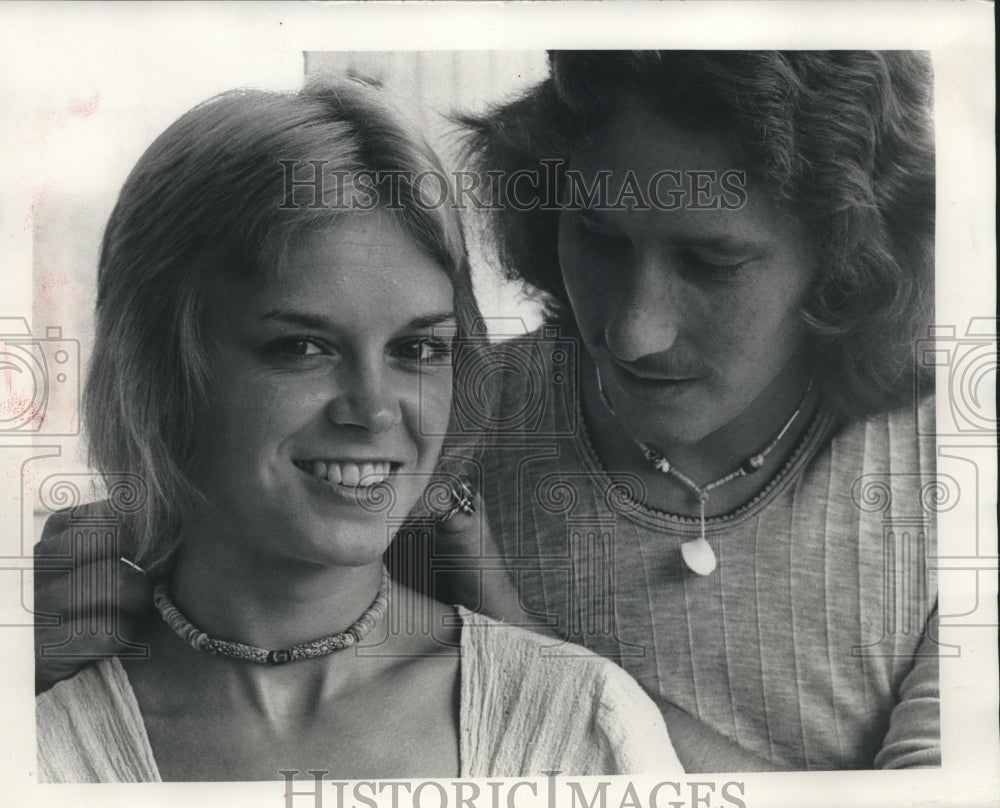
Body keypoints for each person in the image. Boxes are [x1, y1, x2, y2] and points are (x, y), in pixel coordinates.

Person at [34, 80, 682, 781]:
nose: (375, 412)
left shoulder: (582, 720)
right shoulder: (38, 742)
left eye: (417, 350)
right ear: (158, 369)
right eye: (303, 348)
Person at [454, 51, 939, 771]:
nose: (632, 332)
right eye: (598, 237)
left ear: (846, 257)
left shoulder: (958, 460)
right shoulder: (447, 420)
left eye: (712, 264)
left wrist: (519, 636)